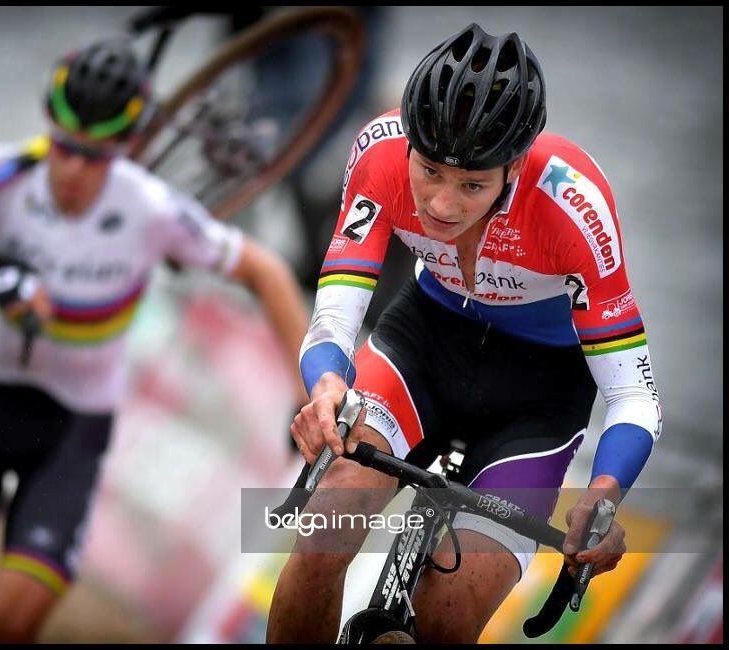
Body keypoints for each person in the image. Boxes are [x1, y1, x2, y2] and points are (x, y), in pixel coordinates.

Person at [0, 39, 309, 643]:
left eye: (93, 157)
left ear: (125, 146)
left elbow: (265, 272)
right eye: (63, 147)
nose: (71, 170)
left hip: (72, 434)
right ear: (49, 125)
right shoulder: (4, 173)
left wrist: (311, 388)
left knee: (2, 628)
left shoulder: (151, 209)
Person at [267, 23, 662, 643]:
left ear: (514, 167)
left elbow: (635, 393)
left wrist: (605, 493)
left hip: (536, 398)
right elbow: (336, 311)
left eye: (473, 185)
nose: (442, 205)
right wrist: (324, 388)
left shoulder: (574, 206)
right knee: (322, 538)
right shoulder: (380, 153)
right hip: (423, 347)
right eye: (429, 172)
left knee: (449, 618)